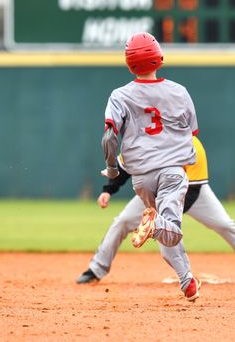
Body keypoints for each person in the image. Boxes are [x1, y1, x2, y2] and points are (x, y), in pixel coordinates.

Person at [78, 136, 235, 288]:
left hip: (194, 193)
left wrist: (163, 221)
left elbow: (190, 191)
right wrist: (108, 191)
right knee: (122, 221)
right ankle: (96, 269)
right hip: (153, 193)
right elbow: (124, 168)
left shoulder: (192, 146)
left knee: (224, 224)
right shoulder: (145, 139)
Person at [99, 32, 201, 301]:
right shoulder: (179, 92)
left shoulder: (119, 95)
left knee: (167, 229)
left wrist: (111, 169)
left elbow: (109, 137)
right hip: (172, 173)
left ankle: (187, 282)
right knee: (168, 229)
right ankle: (154, 225)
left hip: (141, 178)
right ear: (159, 58)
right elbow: (192, 133)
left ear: (129, 62)